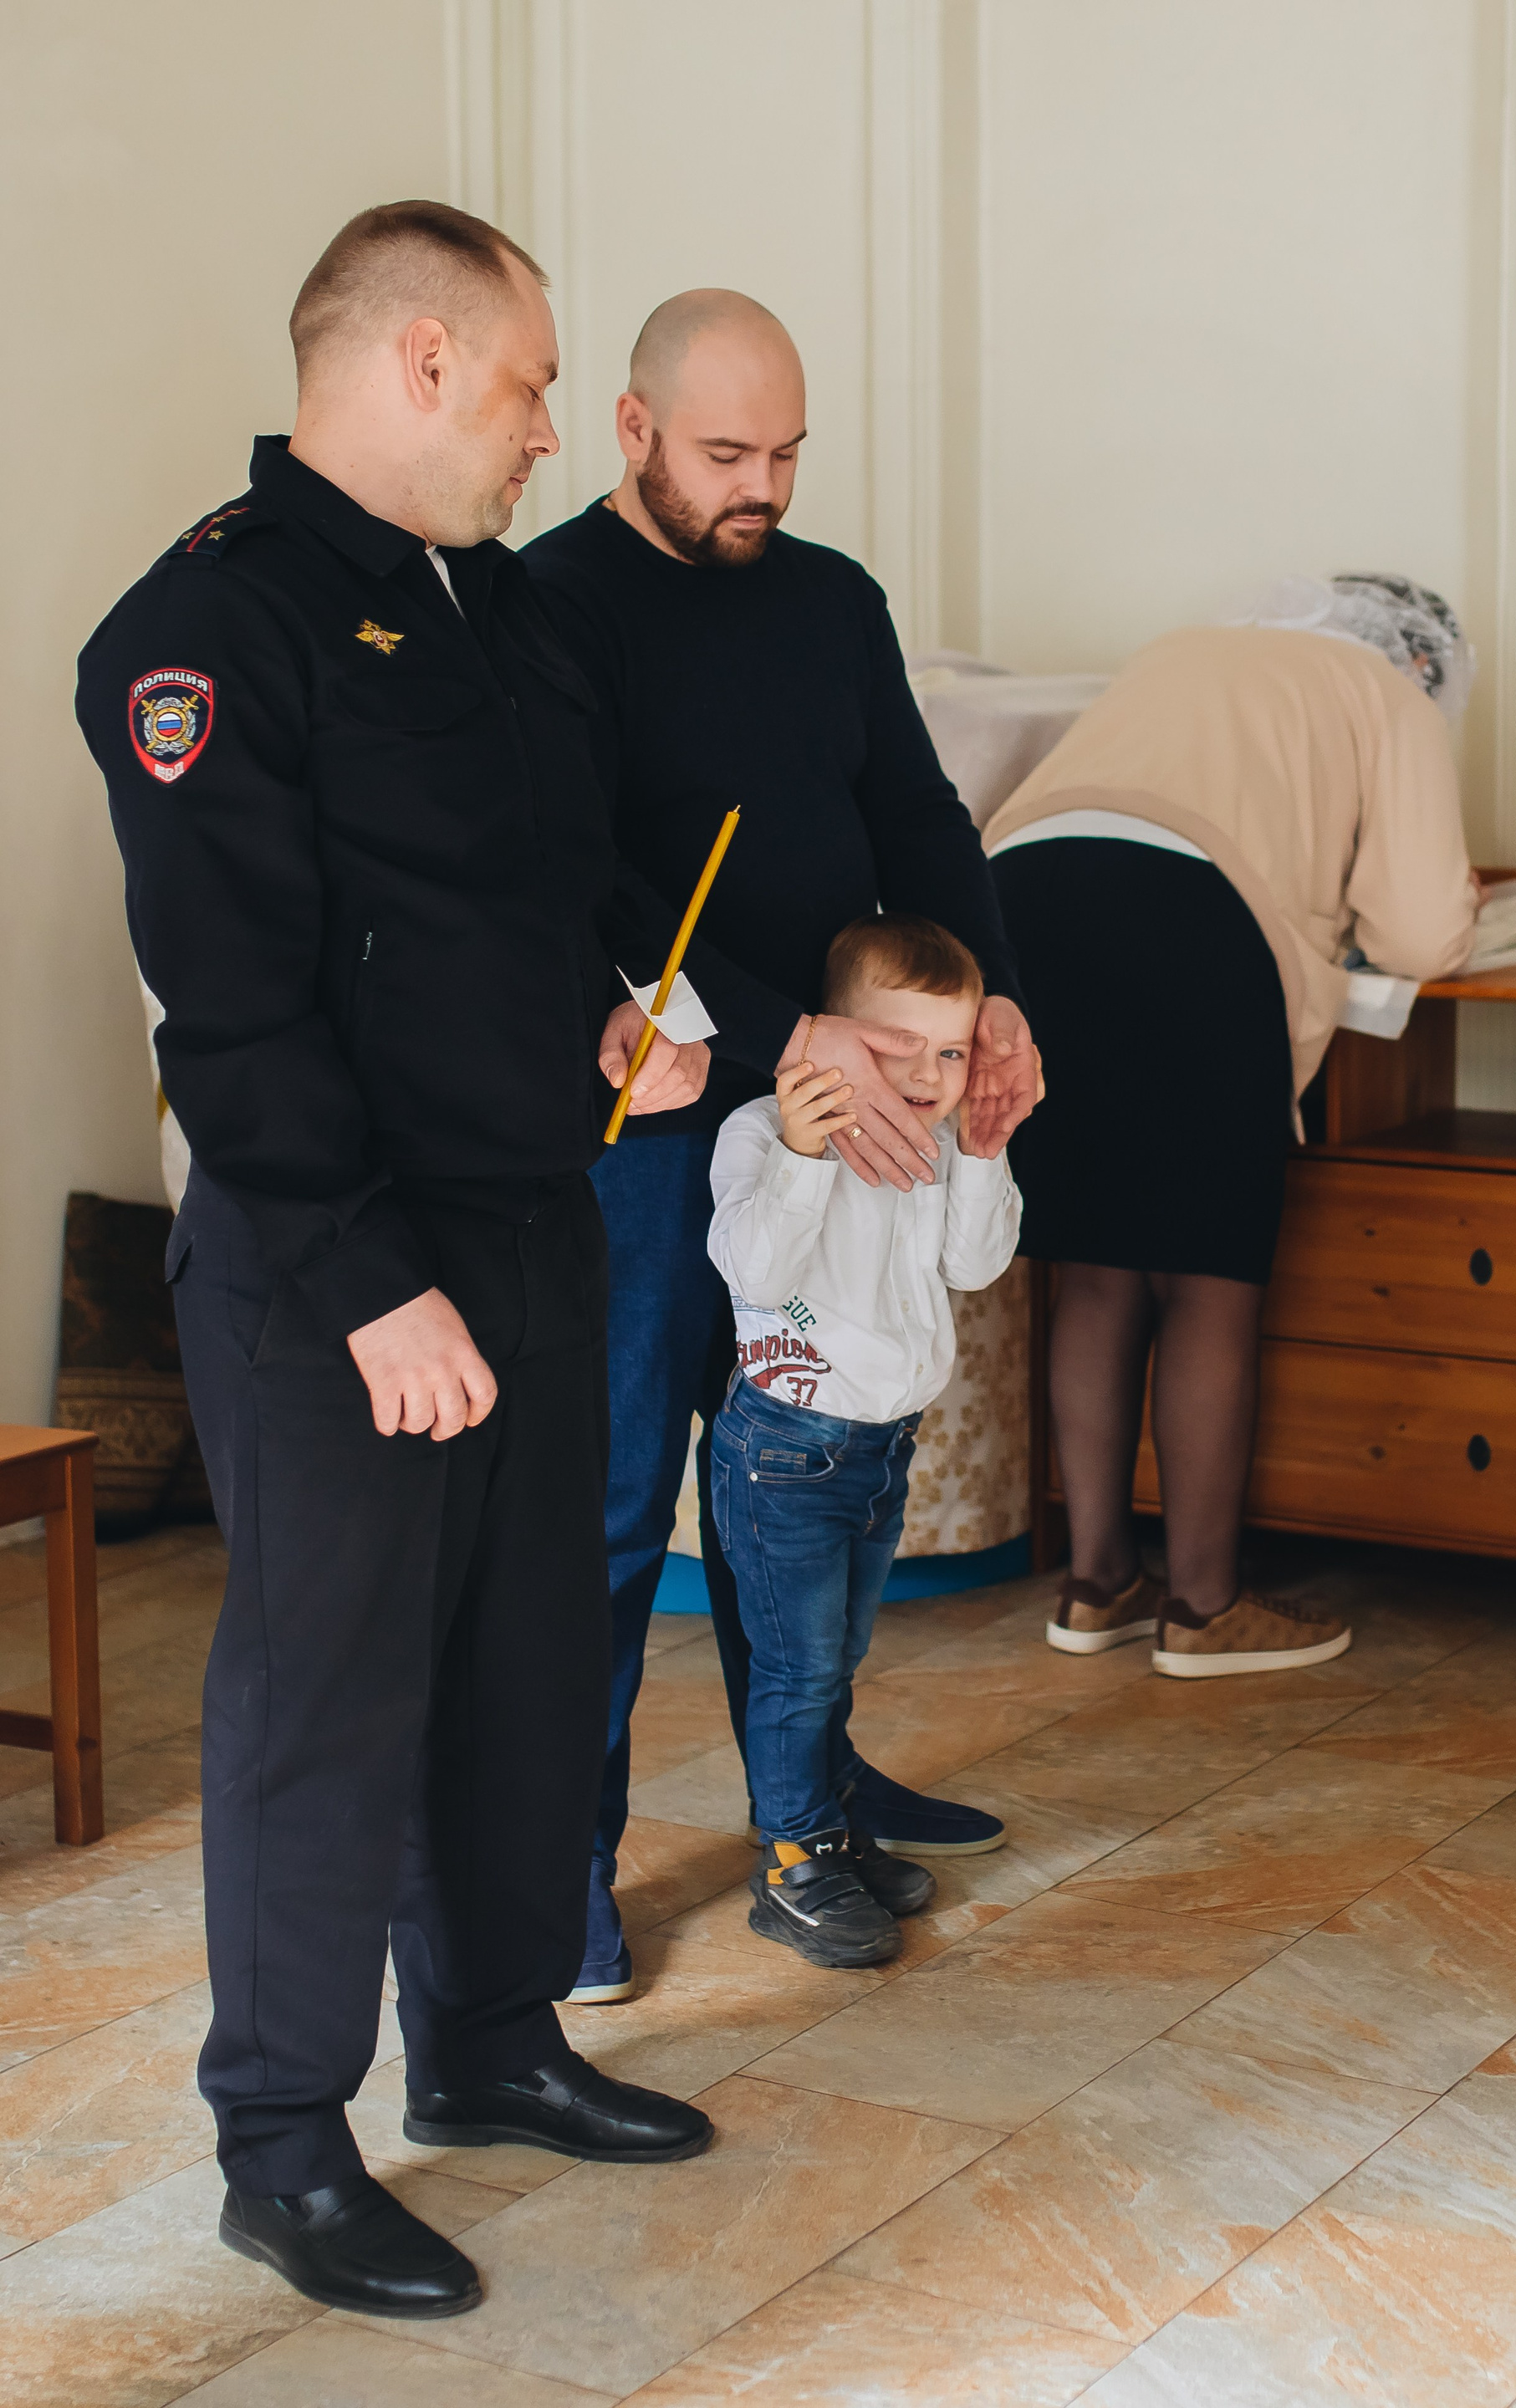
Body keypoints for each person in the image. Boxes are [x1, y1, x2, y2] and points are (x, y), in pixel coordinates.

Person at [75, 201, 717, 2324]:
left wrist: (613, 1009)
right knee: (325, 1703)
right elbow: (233, 1015)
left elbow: (532, 895)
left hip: (532, 1214)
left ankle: (493, 2042)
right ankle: (281, 2146)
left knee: (521, 1665)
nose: (547, 432)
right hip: (332, 1264)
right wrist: (370, 1286)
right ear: (421, 360)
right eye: (531, 387)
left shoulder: (500, 611)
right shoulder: (203, 634)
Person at [523, 290, 1040, 2002]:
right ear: (632, 429)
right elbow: (586, 875)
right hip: (660, 1118)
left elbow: (916, 815)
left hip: (843, 1100)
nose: (763, 486)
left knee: (804, 1477)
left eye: (789, 453)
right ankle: (563, 1873)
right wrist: (784, 1035)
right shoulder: (550, 602)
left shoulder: (832, 599)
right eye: (727, 452)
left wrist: (996, 1002)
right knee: (617, 1507)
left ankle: (806, 1806)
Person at [985, 574, 1479, 1677]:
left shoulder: (1188, 647)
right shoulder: (1387, 691)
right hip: (1190, 916)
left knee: (1097, 1269)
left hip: (1020, 896)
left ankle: (1098, 1583)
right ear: (1426, 663)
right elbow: (1422, 930)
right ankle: (1206, 1606)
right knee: (1207, 1278)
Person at [707, 916, 1022, 1967]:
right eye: (901, 1049)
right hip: (785, 1453)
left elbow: (974, 1267)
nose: (930, 1077)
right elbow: (755, 1272)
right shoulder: (762, 1132)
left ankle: (830, 1833)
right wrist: (805, 1155)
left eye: (952, 1052)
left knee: (834, 1662)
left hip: (882, 1451)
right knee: (797, 1671)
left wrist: (983, 1153)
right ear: (835, 1033)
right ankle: (792, 1867)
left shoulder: (938, 1140)